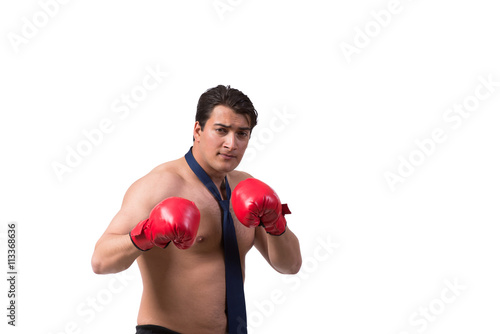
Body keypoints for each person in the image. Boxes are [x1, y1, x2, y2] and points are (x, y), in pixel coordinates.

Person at [91, 85, 302, 334]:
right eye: (221, 131)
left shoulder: (247, 188)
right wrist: (147, 233)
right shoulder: (159, 185)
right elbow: (101, 261)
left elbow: (290, 266)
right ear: (198, 130)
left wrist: (275, 221)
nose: (231, 144)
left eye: (242, 134)